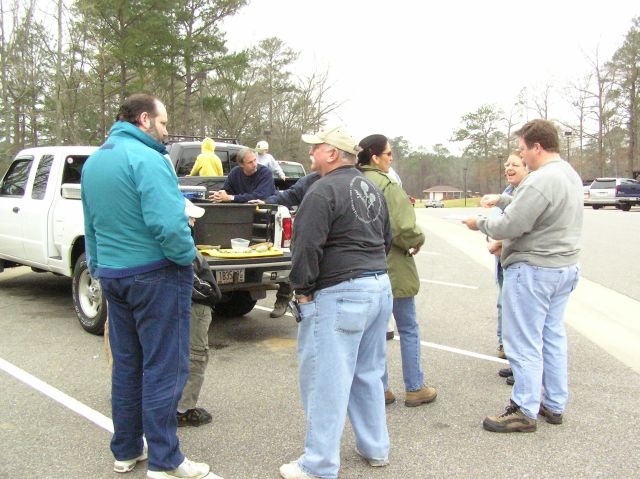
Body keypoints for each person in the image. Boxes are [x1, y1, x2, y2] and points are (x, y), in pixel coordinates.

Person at [81, 93, 214, 478]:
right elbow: (167, 224)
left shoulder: (95, 162)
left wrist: (100, 267)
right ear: (144, 119)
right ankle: (165, 459)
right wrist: (188, 257)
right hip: (156, 274)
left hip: (114, 276)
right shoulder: (149, 159)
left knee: (127, 365)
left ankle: (125, 450)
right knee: (165, 367)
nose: (166, 130)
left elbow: (91, 225)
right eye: (164, 123)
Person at [280, 126, 393, 479]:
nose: (311, 154)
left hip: (342, 291)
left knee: (324, 379)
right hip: (379, 286)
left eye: (315, 148)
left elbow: (306, 247)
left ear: (331, 153)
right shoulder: (371, 188)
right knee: (368, 373)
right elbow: (387, 238)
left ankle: (318, 465)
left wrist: (302, 290)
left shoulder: (322, 190)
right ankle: (376, 448)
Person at [462, 119, 583, 433]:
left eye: (522, 150)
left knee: (524, 341)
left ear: (537, 147)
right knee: (551, 336)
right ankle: (554, 404)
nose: (521, 156)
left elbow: (510, 225)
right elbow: (536, 211)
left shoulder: (542, 179)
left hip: (535, 271)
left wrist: (481, 222)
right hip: (563, 268)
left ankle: (524, 409)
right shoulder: (568, 174)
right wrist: (502, 200)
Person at [357, 134, 437, 408]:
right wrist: (418, 240)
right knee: (408, 327)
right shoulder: (387, 183)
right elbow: (403, 228)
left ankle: (379, 389)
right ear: (375, 157)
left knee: (374, 332)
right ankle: (415, 387)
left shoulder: (353, 181)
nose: (391, 158)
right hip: (391, 264)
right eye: (388, 154)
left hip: (361, 266)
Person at [249, 172, 322, 318]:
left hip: (334, 248)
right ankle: (285, 298)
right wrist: (267, 201)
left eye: (317, 149)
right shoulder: (311, 179)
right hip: (308, 237)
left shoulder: (352, 180)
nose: (312, 154)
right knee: (297, 264)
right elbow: (291, 194)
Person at [177, 200, 222, 427]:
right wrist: (214, 293)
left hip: (183, 308)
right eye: (190, 218)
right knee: (195, 355)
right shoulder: (182, 246)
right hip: (195, 308)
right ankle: (184, 409)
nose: (194, 222)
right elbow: (193, 283)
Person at [489, 153, 528, 383]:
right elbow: (497, 223)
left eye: (514, 164)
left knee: (520, 315)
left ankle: (523, 371)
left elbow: (520, 225)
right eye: (507, 164)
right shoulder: (506, 193)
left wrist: (500, 242)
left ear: (526, 168)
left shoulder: (529, 192)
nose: (508, 168)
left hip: (520, 261)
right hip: (504, 262)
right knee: (506, 308)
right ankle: (514, 360)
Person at [209, 147, 276, 203]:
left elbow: (260, 196)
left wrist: (232, 198)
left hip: (263, 211)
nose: (254, 164)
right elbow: (226, 190)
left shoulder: (265, 173)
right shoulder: (235, 172)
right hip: (240, 212)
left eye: (255, 160)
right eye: (250, 162)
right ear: (241, 164)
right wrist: (219, 195)